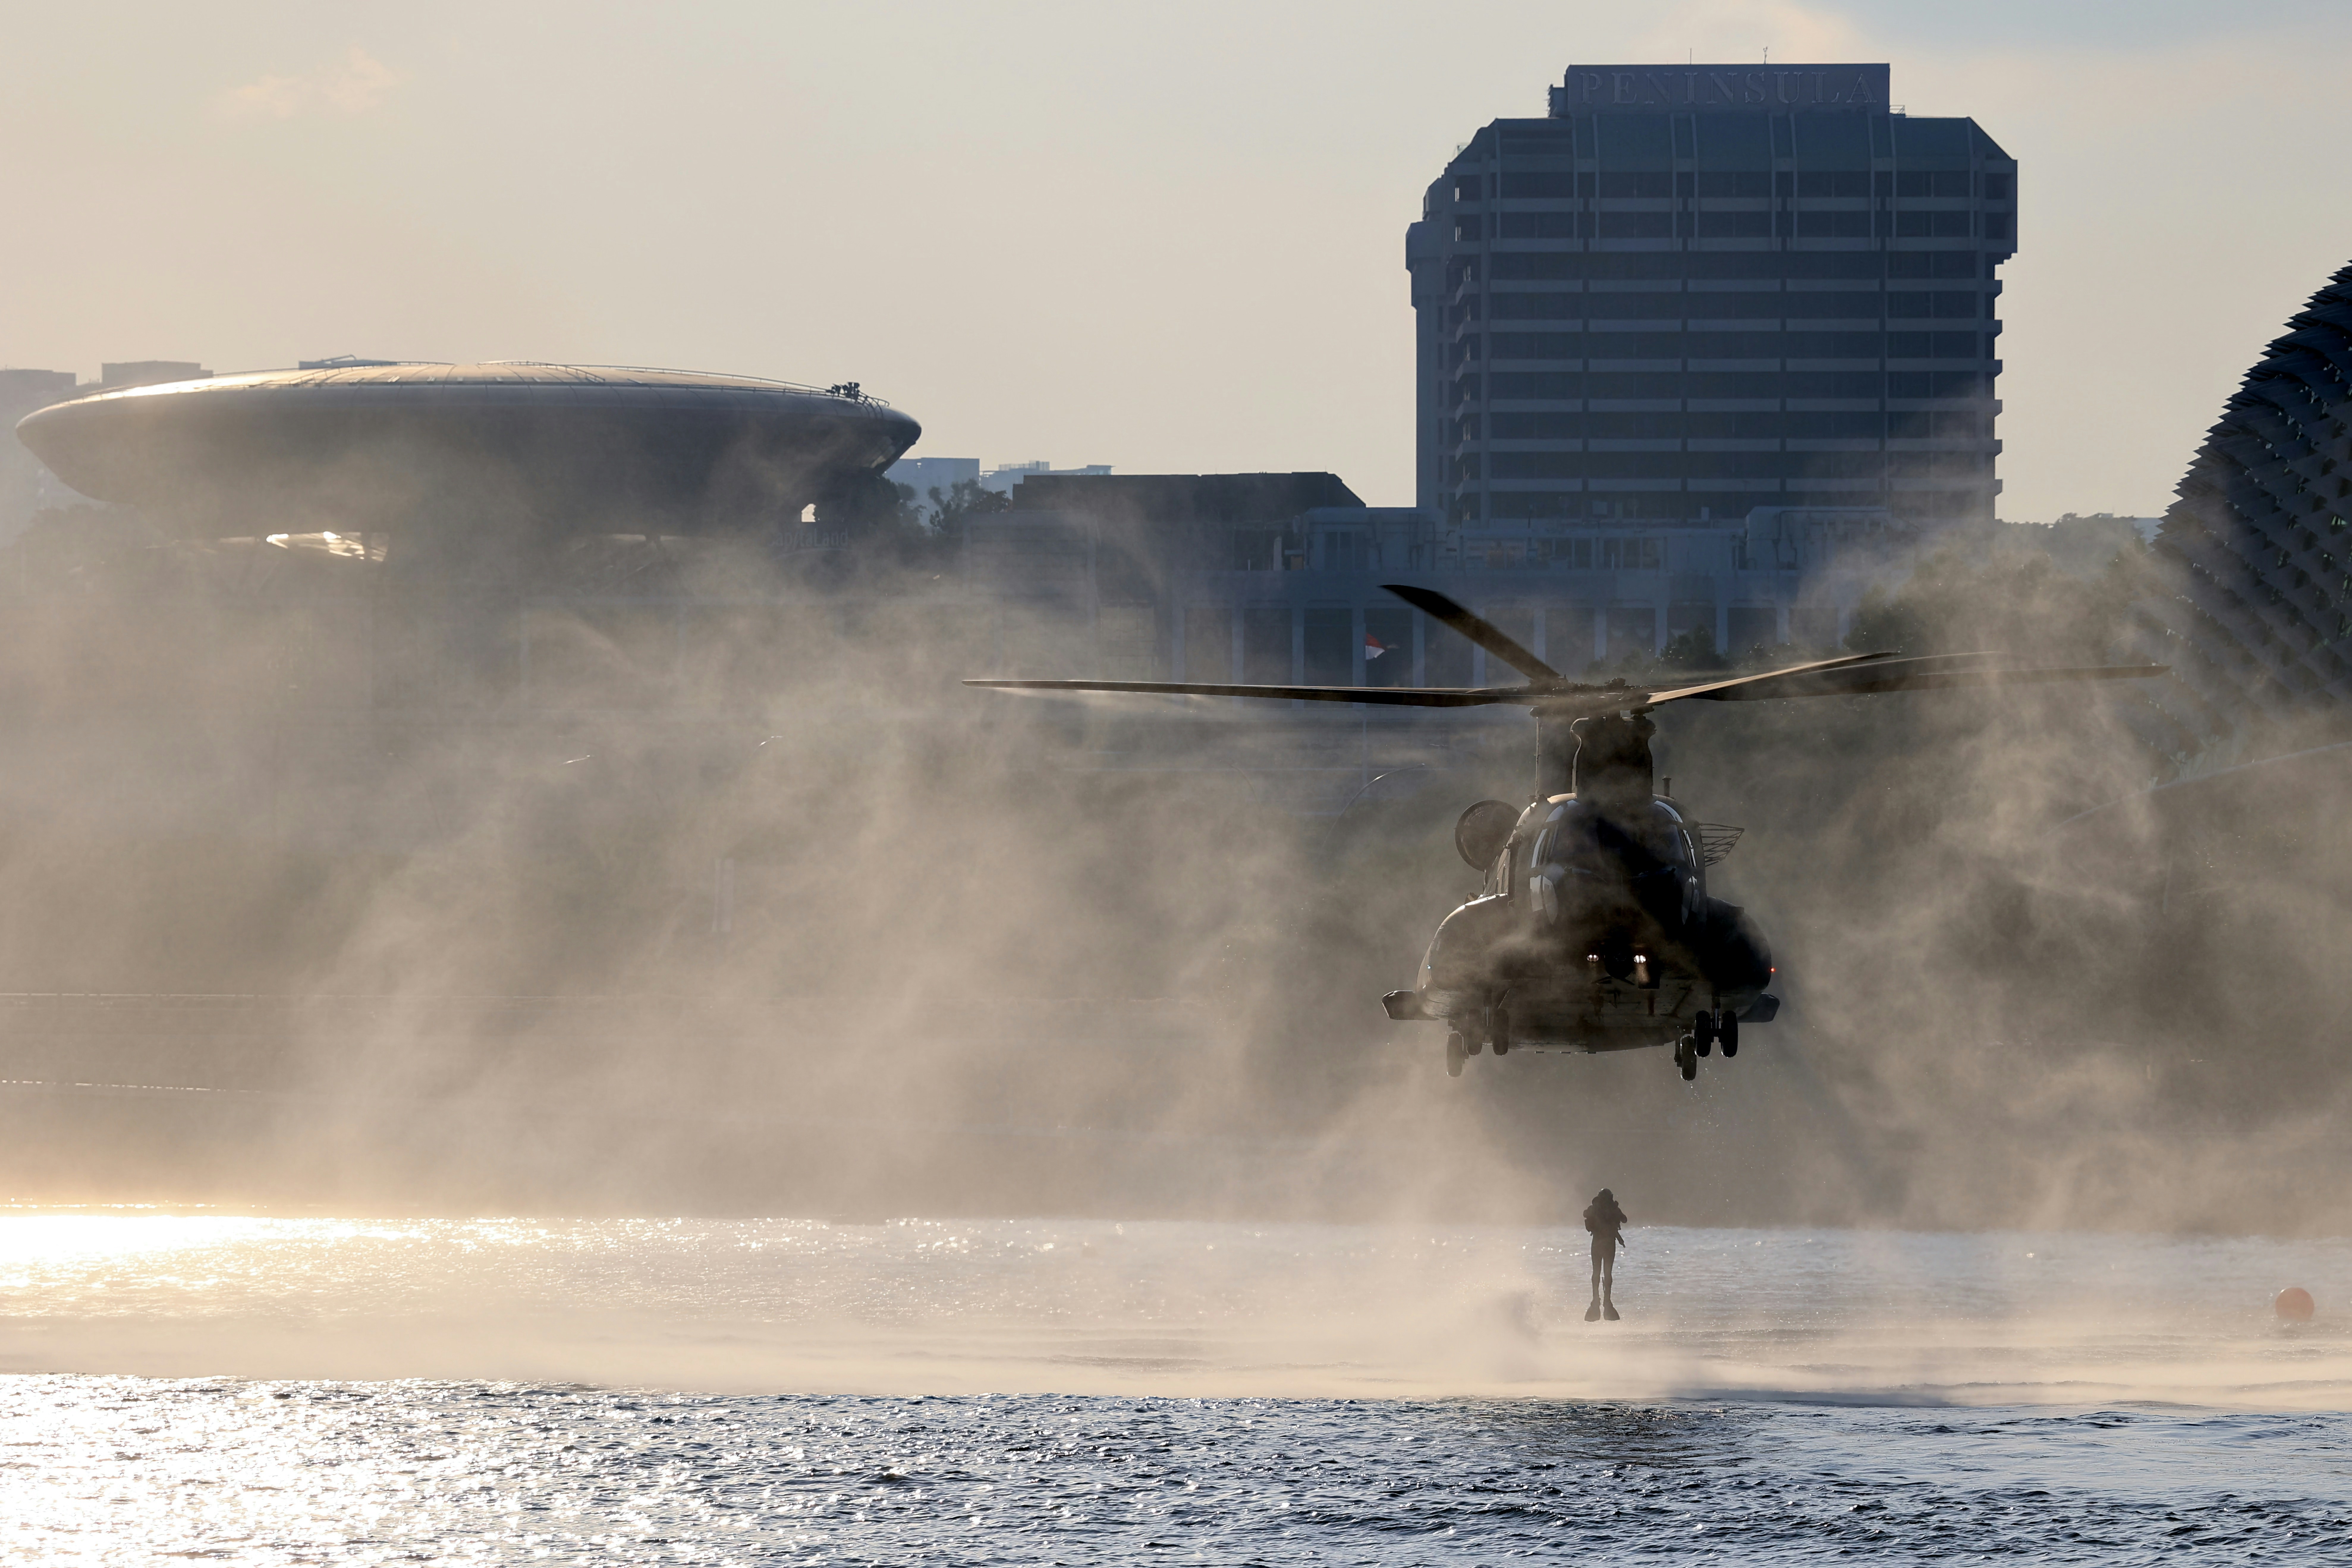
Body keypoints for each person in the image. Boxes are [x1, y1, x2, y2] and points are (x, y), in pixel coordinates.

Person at [1583, 1188, 1628, 1322]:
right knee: (1608, 1273)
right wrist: (1615, 1211)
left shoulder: (1594, 1209)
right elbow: (1624, 1220)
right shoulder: (1613, 1209)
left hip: (1597, 1243)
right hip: (1609, 1244)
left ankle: (1596, 1301)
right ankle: (1607, 1302)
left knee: (1596, 1273)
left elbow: (1586, 1214)